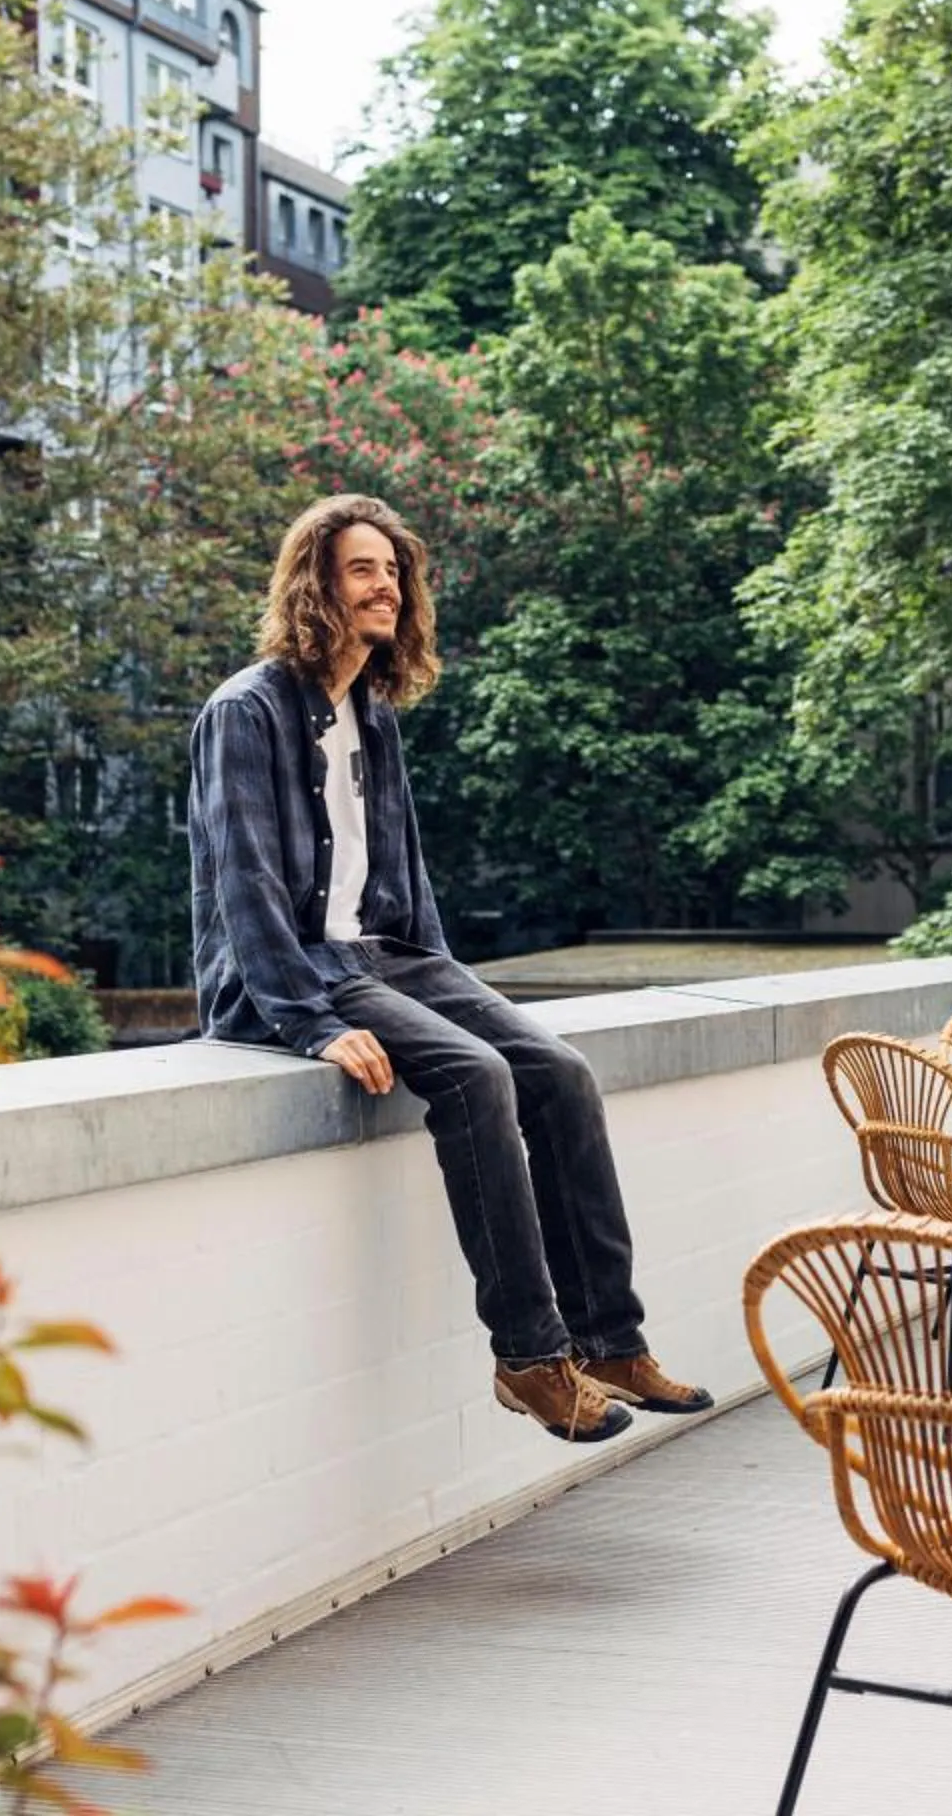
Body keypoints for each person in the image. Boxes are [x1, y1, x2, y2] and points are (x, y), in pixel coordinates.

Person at [187, 494, 709, 1444]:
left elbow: (405, 873)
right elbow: (244, 885)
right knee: (477, 1077)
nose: (385, 586)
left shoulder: (371, 715)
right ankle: (530, 1357)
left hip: (388, 957)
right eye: (361, 570)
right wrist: (312, 1022)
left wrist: (446, 984)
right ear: (316, 584)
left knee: (558, 1071)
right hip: (299, 971)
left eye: (393, 571)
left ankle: (608, 1339)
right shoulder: (246, 713)